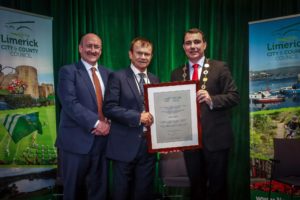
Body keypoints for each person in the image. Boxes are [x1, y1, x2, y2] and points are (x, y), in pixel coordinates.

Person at [170, 28, 240, 200]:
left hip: (216, 139)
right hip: (190, 141)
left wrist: (212, 100)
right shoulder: (177, 73)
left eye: (197, 42)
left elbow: (234, 96)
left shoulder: (219, 67)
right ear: (183, 47)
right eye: (188, 43)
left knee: (217, 187)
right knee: (196, 187)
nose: (193, 46)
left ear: (205, 44)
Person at [103, 37, 159, 200]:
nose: (143, 57)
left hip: (148, 147)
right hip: (124, 146)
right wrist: (137, 117)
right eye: (139, 53)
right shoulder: (118, 77)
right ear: (130, 54)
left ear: (151, 56)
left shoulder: (155, 79)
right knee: (121, 193)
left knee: (143, 193)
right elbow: (109, 108)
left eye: (147, 54)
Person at [56, 33, 111, 200]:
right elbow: (69, 103)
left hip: (103, 142)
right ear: (80, 48)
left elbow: (112, 104)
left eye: (97, 47)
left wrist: (109, 122)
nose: (92, 50)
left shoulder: (108, 73)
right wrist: (96, 123)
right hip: (76, 144)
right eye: (89, 46)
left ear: (101, 51)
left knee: (99, 191)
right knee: (74, 192)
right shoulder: (68, 71)